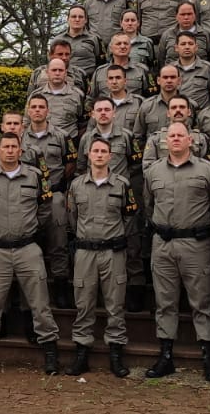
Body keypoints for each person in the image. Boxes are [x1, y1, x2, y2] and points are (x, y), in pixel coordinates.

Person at [0, 133, 60, 374]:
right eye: (5, 147)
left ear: (21, 151)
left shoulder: (35, 176)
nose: (10, 150)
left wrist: (29, 228)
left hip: (28, 249)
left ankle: (50, 353)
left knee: (40, 303)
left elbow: (45, 208)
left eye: (14, 147)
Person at [143, 122, 210, 381]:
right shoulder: (153, 171)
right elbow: (148, 205)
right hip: (163, 243)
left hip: (196, 244)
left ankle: (208, 357)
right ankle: (165, 356)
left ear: (191, 140)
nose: (176, 139)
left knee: (202, 301)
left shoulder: (208, 170)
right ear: (165, 141)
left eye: (181, 135)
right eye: (171, 136)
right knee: (165, 302)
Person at [64, 137, 139, 377]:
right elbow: (72, 217)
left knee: (115, 303)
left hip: (113, 252)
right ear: (88, 154)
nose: (99, 154)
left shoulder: (122, 185)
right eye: (95, 150)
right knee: (83, 303)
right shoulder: (76, 186)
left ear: (110, 156)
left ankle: (116, 354)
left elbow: (129, 218)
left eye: (103, 151)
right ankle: (82, 354)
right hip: (85, 252)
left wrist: (114, 238)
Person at [22, 95, 78, 309]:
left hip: (54, 195)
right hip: (28, 199)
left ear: (48, 111)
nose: (37, 110)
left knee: (58, 243)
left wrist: (58, 183)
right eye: (33, 107)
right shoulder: (21, 138)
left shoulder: (62, 136)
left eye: (41, 107)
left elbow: (71, 161)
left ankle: (61, 288)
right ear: (28, 111)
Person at [78, 97, 143, 183]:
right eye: (99, 110)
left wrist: (122, 179)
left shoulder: (126, 136)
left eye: (107, 110)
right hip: (93, 188)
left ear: (114, 113)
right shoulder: (86, 138)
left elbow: (136, 164)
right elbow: (81, 167)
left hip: (118, 189)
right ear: (93, 114)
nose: (103, 113)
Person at [142, 96, 210, 166]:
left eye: (182, 107)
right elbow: (148, 168)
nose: (178, 110)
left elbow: (209, 167)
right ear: (168, 113)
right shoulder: (155, 139)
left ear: (189, 112)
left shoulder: (201, 139)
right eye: (174, 107)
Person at [31, 58, 86, 137]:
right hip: (42, 142)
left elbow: (82, 122)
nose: (57, 73)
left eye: (60, 70)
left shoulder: (78, 95)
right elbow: (27, 122)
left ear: (66, 73)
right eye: (54, 70)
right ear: (47, 72)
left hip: (69, 143)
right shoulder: (36, 95)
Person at [93, 33, 150, 100]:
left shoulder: (142, 70)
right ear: (111, 48)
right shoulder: (100, 72)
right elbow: (90, 98)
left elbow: (150, 98)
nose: (122, 46)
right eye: (118, 44)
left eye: (126, 43)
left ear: (130, 47)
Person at [158, 1, 210, 66]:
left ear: (195, 15)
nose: (186, 18)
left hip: (199, 73)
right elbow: (161, 59)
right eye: (182, 14)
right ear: (176, 16)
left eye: (189, 14)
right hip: (173, 73)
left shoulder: (205, 34)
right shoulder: (167, 34)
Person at [57, 5, 104, 81]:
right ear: (68, 19)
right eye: (74, 16)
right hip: (64, 80)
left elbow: (101, 62)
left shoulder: (94, 39)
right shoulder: (57, 40)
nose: (77, 19)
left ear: (85, 20)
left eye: (81, 17)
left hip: (88, 80)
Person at [139, 65, 186, 139]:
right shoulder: (147, 106)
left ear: (179, 81)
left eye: (173, 77)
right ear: (158, 80)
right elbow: (138, 136)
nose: (169, 80)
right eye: (165, 77)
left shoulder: (189, 105)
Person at [172, 32, 210, 111]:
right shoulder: (170, 70)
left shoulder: (207, 68)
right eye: (183, 44)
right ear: (176, 48)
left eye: (190, 44)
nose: (187, 47)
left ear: (196, 47)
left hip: (202, 114)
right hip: (178, 113)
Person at [104, 66, 145, 141]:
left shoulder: (139, 102)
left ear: (125, 81)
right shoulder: (101, 104)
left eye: (118, 78)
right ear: (107, 82)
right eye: (111, 78)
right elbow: (92, 130)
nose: (114, 82)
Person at [114, 9, 158, 74]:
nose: (130, 23)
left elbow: (151, 65)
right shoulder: (113, 42)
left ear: (138, 23)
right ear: (121, 23)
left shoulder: (147, 42)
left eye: (133, 20)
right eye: (127, 20)